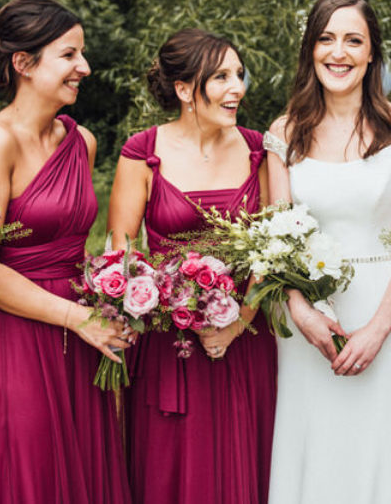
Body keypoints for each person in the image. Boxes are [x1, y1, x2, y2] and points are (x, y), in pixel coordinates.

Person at [0, 0, 131, 503]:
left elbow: (75, 242)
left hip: (81, 332)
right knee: (29, 474)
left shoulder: (82, 141)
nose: (85, 67)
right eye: (69, 54)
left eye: (82, 54)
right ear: (24, 64)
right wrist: (77, 318)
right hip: (14, 335)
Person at [264, 0, 391, 504]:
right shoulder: (284, 132)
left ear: (372, 51)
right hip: (311, 324)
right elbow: (275, 242)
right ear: (310, 50)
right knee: (314, 451)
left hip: (387, 315)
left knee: (383, 451)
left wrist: (378, 330)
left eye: (353, 40)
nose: (338, 53)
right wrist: (302, 313)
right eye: (326, 39)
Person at [108, 28, 276, 504]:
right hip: (170, 344)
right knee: (173, 473)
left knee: (246, 466)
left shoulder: (259, 151)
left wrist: (239, 321)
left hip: (245, 340)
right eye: (221, 77)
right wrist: (162, 302)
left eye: (239, 75)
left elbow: (274, 249)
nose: (237, 88)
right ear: (184, 89)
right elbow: (122, 253)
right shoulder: (142, 153)